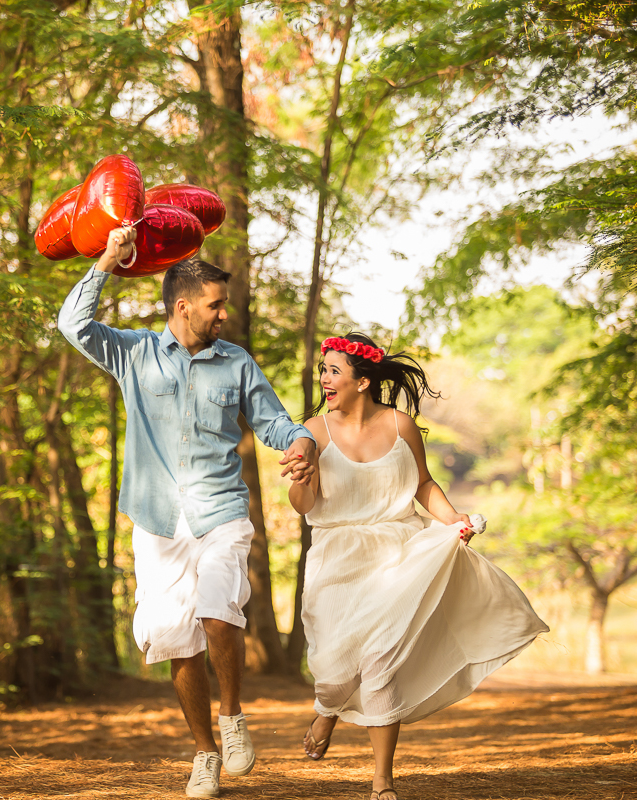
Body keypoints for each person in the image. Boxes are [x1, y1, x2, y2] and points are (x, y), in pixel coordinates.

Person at [58, 227, 320, 798]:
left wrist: (301, 443)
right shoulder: (134, 353)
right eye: (216, 304)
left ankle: (232, 717)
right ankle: (204, 754)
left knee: (219, 612)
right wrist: (106, 260)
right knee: (176, 638)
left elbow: (275, 422)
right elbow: (72, 326)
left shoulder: (237, 362)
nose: (224, 314)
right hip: (156, 519)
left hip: (220, 509)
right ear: (184, 306)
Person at [287, 333, 549, 800]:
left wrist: (454, 520)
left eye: (334, 371)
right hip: (336, 556)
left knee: (381, 661)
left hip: (397, 552)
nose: (324, 379)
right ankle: (326, 709)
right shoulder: (314, 431)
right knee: (334, 671)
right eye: (323, 370)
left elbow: (423, 484)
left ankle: (382, 781)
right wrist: (302, 478)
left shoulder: (400, 425)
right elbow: (303, 504)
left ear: (362, 381)